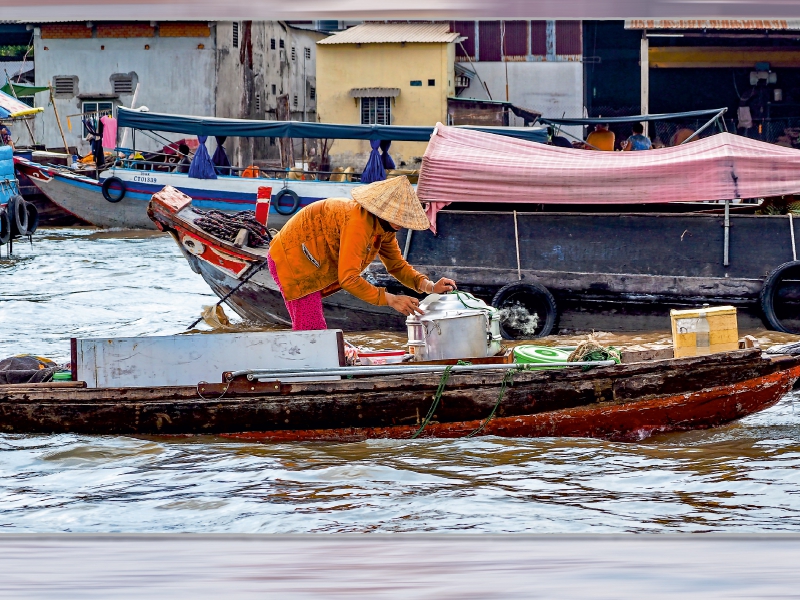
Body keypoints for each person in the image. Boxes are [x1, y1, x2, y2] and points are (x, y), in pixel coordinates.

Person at [267, 176, 457, 330]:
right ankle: (306, 373)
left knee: (313, 329)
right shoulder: (358, 223)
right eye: (399, 218)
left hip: (315, 262)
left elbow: (396, 265)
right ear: (384, 212)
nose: (402, 223)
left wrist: (429, 286)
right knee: (311, 330)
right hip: (293, 259)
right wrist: (390, 299)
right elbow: (348, 279)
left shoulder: (385, 229)